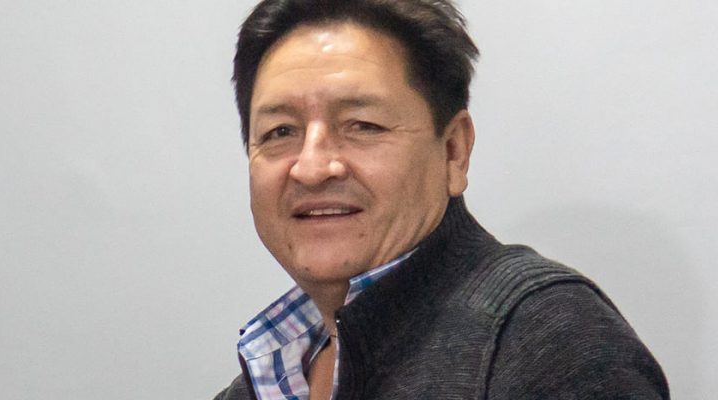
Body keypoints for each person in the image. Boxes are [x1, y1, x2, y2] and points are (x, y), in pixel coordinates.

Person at [215, 0, 669, 398]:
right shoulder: (267, 378)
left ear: (454, 151)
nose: (312, 168)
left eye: (363, 125)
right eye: (280, 132)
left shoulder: (546, 341)